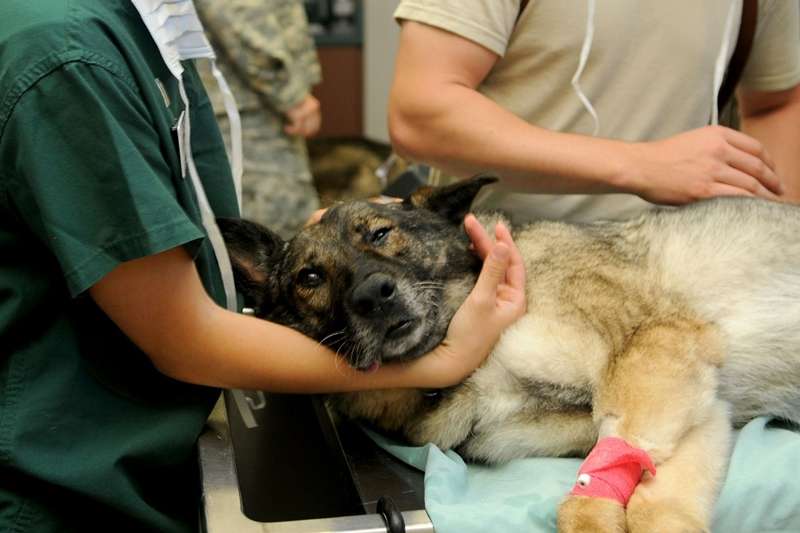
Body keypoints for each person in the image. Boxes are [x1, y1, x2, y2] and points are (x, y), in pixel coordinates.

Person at [0, 1, 526, 532]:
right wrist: (445, 360)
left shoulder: (146, 28)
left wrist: (344, 239)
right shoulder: (69, 58)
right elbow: (183, 337)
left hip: (139, 452)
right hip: (68, 488)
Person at [389, 0, 800, 225]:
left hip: (685, 275)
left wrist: (774, 244)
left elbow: (777, 103)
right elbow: (420, 112)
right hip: (507, 276)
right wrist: (641, 165)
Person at [195, 0, 323, 239]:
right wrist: (291, 95)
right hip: (247, 110)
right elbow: (239, 14)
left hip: (246, 104)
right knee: (273, 237)